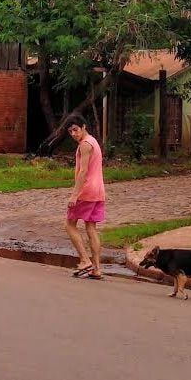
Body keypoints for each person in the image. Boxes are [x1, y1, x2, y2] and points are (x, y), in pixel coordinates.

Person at [64, 114, 105, 280]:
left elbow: (83, 171)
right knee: (91, 228)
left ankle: (85, 260)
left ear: (83, 127)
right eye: (70, 131)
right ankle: (96, 269)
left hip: (86, 191)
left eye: (76, 130)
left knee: (69, 225)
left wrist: (74, 195)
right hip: (98, 191)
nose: (73, 134)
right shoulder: (93, 141)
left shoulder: (85, 145)